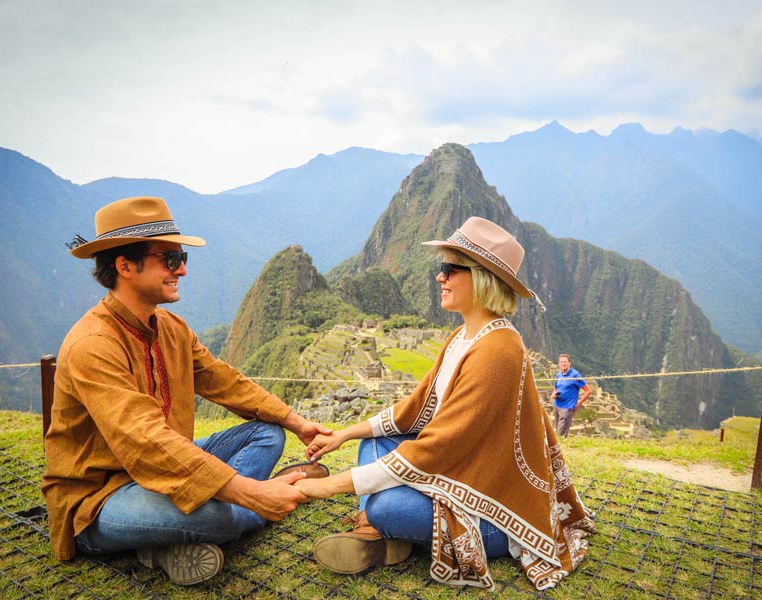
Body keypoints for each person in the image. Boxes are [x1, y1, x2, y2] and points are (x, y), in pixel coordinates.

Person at [294, 217, 595, 591]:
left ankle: (375, 526)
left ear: (483, 277)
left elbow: (436, 448)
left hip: (495, 509)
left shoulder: (499, 351)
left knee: (385, 506)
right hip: (466, 470)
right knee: (372, 444)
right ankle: (377, 535)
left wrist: (322, 487)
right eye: (442, 268)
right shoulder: (465, 336)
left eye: (450, 269)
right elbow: (415, 408)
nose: (440, 277)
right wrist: (343, 435)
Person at [42, 196, 331, 585]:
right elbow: (145, 439)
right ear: (124, 266)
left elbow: (224, 380)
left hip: (167, 467)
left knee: (266, 433)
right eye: (169, 260)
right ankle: (260, 499)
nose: (182, 270)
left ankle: (183, 534)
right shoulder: (93, 345)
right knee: (219, 515)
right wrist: (247, 492)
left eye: (182, 259)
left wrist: (297, 422)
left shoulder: (171, 328)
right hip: (103, 497)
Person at [550, 354, 593, 438]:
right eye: (561, 362)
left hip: (567, 408)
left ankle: (558, 448)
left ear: (570, 363)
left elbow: (588, 391)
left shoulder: (575, 375)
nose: (563, 364)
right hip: (557, 406)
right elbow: (556, 388)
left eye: (565, 362)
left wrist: (578, 404)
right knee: (558, 430)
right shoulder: (559, 375)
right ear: (559, 364)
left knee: (559, 434)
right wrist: (553, 395)